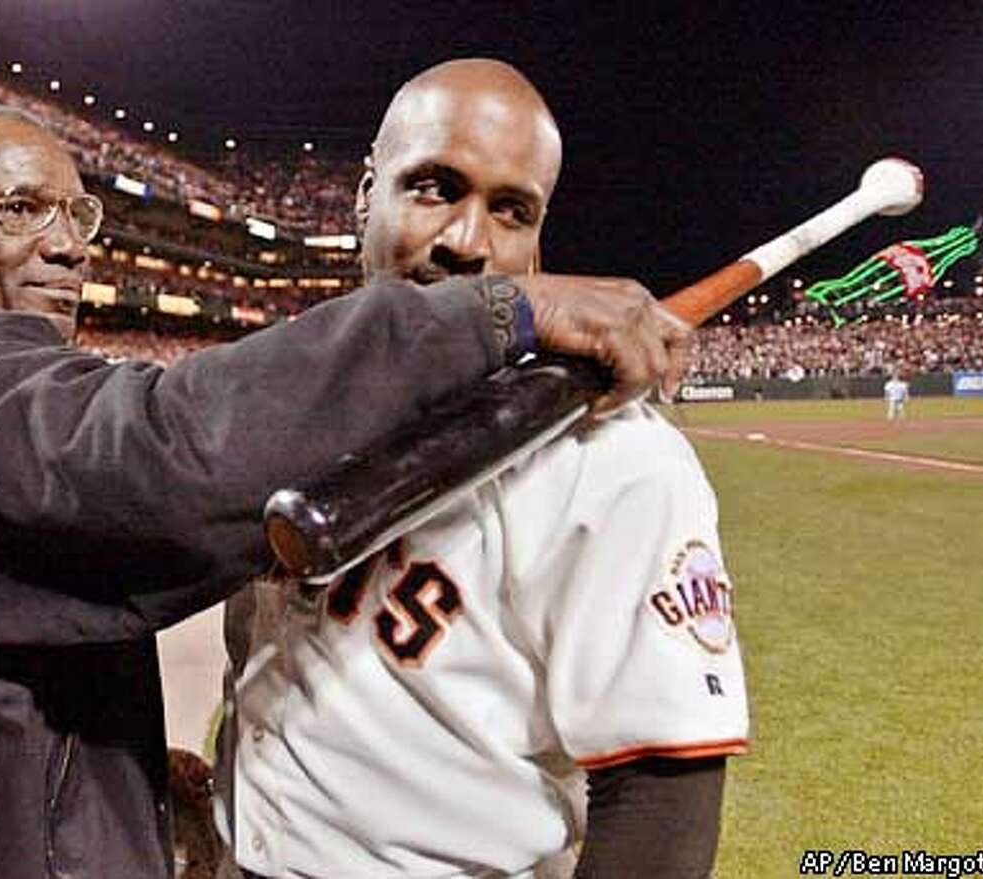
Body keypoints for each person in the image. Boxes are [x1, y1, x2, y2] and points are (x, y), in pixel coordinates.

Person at [0, 103, 685, 879]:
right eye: (21, 209)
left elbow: (9, 631)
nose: (68, 243)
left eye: (78, 212)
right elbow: (165, 456)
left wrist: (126, 790)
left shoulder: (622, 463)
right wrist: (497, 313)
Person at [215, 60, 748, 878]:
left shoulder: (618, 457)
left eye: (510, 211)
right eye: (434, 188)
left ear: (538, 242)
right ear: (365, 197)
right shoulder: (291, 390)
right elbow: (253, 652)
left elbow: (661, 809)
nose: (468, 242)